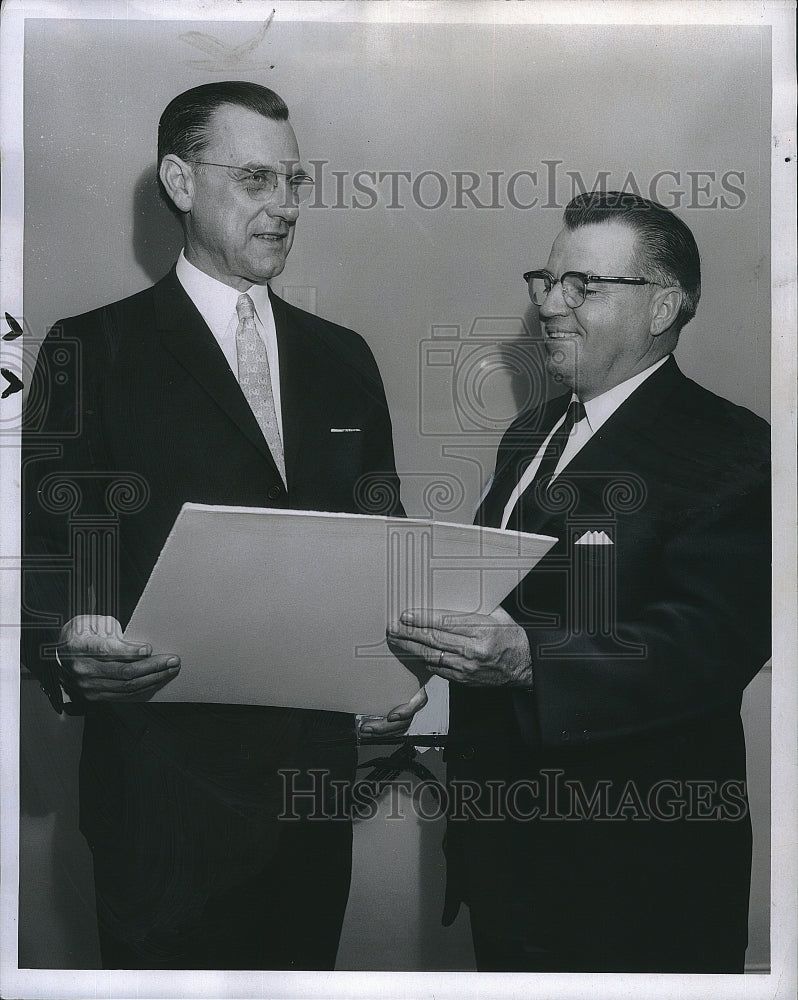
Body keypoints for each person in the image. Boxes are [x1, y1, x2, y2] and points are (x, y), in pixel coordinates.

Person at [22, 81, 425, 971]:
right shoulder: (90, 350)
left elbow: (381, 538)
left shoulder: (343, 357)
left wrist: (391, 661)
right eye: (254, 179)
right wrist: (72, 637)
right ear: (179, 179)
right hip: (162, 803)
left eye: (293, 181)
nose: (283, 208)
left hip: (316, 794)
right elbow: (58, 544)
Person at [388, 192, 770, 973]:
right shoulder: (529, 434)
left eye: (582, 288)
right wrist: (412, 685)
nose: (549, 307)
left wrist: (530, 659)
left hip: (637, 892)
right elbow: (496, 608)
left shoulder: (735, 449)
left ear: (663, 306)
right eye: (545, 281)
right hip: (506, 873)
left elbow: (708, 646)